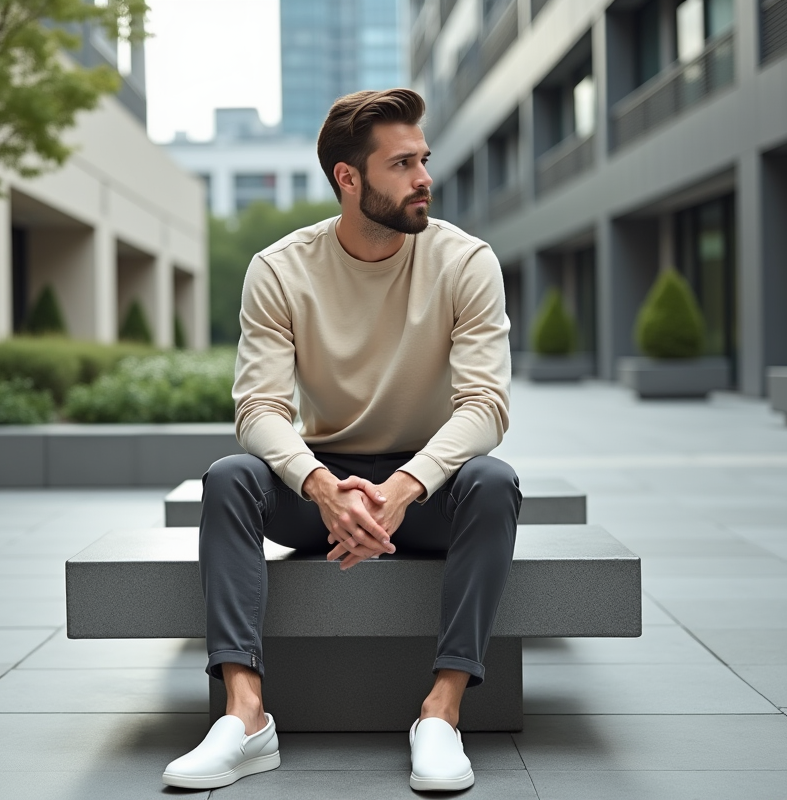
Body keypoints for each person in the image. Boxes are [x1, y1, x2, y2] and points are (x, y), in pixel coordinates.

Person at [162, 88, 520, 793]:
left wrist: (403, 489)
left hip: (428, 489)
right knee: (230, 476)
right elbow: (259, 408)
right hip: (322, 486)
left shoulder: (466, 261)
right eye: (402, 164)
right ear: (348, 179)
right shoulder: (280, 269)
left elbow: (486, 405)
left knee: (494, 482)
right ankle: (245, 715)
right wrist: (321, 486)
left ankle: (441, 715)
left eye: (424, 159)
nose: (424, 179)